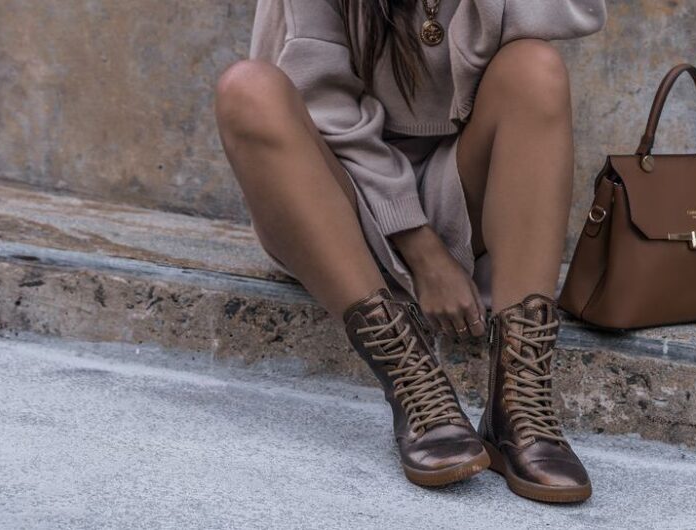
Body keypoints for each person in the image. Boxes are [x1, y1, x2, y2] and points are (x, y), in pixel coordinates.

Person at [214, 0, 606, 503]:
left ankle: (520, 402)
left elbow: (574, 14)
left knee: (535, 66)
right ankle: (412, 379)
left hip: (457, 191)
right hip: (339, 206)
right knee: (247, 88)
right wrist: (422, 250)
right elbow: (322, 107)